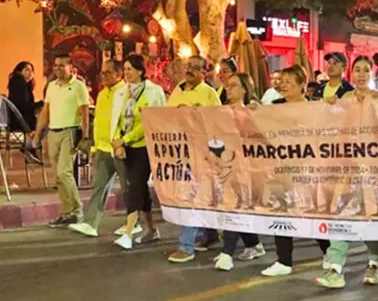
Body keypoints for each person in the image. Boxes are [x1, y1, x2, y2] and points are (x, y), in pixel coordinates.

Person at [314, 56, 378, 289]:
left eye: (366, 70)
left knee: (370, 219)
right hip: (346, 169)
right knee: (341, 215)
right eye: (358, 70)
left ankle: (374, 262)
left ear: (372, 74)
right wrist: (331, 108)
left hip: (373, 170)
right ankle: (336, 269)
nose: (362, 74)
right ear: (351, 74)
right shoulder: (344, 99)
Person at [261, 65, 331, 277]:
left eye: (289, 81)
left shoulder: (316, 108)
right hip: (282, 168)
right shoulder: (274, 107)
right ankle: (284, 260)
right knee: (282, 211)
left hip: (308, 168)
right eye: (281, 81)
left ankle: (328, 252)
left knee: (311, 211)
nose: (283, 85)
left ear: (302, 86)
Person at [167, 56, 223, 263]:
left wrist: (198, 114)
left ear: (204, 73)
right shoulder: (177, 91)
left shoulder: (209, 94)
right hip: (178, 153)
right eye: (187, 66)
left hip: (202, 154)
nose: (189, 70)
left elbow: (219, 121)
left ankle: (186, 245)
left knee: (194, 197)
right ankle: (210, 235)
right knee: (191, 196)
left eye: (195, 68)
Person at [68, 61, 130, 238]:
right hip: (103, 148)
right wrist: (94, 144)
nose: (104, 76)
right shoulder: (102, 94)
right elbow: (101, 122)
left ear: (119, 74)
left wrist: (122, 142)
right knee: (99, 187)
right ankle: (91, 223)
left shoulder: (125, 93)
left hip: (120, 148)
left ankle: (134, 222)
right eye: (102, 73)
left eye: (108, 73)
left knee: (128, 188)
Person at [112, 55, 168, 250]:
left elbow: (149, 122)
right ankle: (151, 229)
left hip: (146, 147)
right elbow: (117, 120)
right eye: (125, 69)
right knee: (139, 188)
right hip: (127, 148)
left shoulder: (153, 92)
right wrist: (118, 142)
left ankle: (128, 232)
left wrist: (125, 139)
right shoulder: (122, 92)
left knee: (134, 187)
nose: (126, 73)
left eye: (130, 69)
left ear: (140, 71)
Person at [213, 73, 267, 271]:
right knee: (235, 207)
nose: (229, 88)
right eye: (227, 85)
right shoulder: (221, 111)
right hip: (225, 166)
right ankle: (253, 245)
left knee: (234, 207)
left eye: (234, 85)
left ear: (245, 88)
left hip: (246, 169)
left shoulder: (252, 112)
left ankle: (227, 253)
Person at [33, 54, 91, 227]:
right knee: (58, 176)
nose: (57, 69)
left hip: (70, 132)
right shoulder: (52, 86)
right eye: (55, 65)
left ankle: (77, 210)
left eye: (61, 66)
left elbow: (84, 112)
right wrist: (37, 133)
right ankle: (66, 212)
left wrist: (85, 137)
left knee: (65, 172)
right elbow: (46, 111)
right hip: (53, 133)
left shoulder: (78, 86)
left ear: (70, 68)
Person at [7, 61, 38, 132]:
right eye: (27, 70)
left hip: (19, 121)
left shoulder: (24, 85)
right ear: (19, 71)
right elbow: (23, 104)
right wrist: (39, 105)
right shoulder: (19, 84)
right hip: (21, 122)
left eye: (32, 71)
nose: (30, 73)